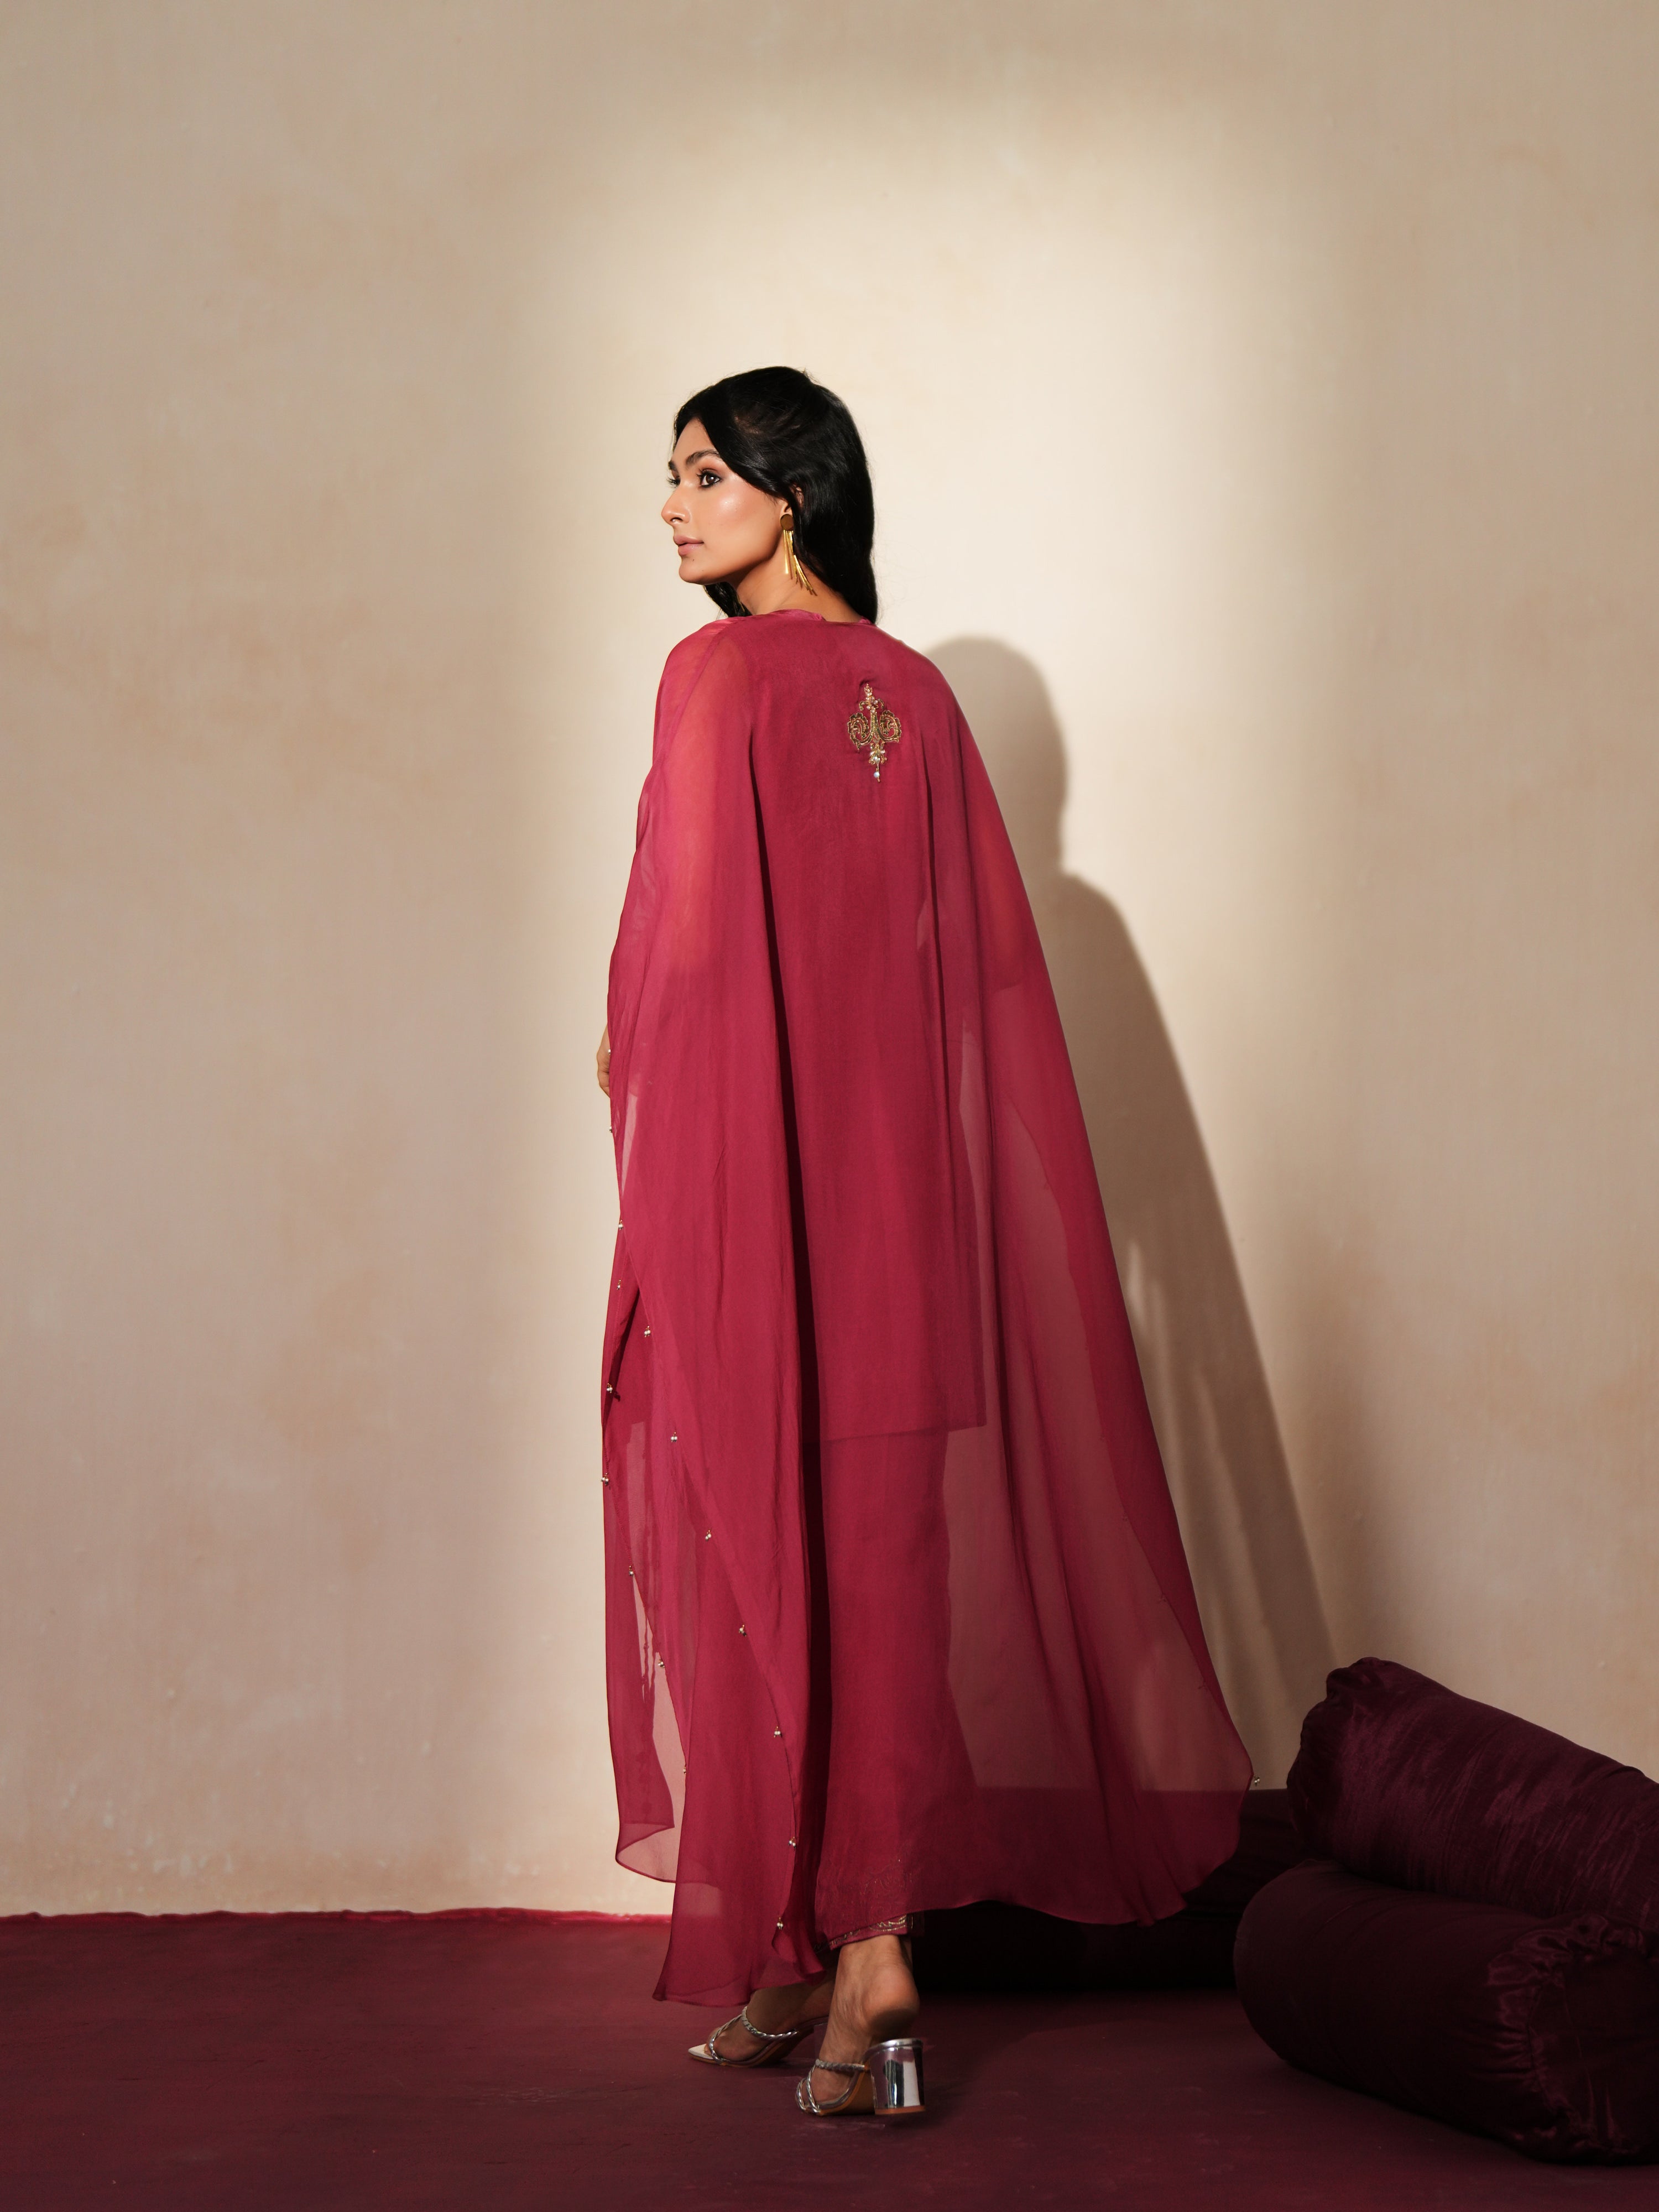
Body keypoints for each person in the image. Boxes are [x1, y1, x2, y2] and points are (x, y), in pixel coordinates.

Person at [596, 367, 1251, 2120]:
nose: (671, 507)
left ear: (792, 491)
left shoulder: (713, 678)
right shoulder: (917, 695)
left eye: (702, 474)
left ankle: (841, 1958)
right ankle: (836, 1962)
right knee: (881, 1573)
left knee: (753, 1558)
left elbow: (689, 957)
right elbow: (977, 1013)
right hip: (903, 1222)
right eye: (672, 475)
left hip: (759, 1209)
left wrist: (631, 1075)